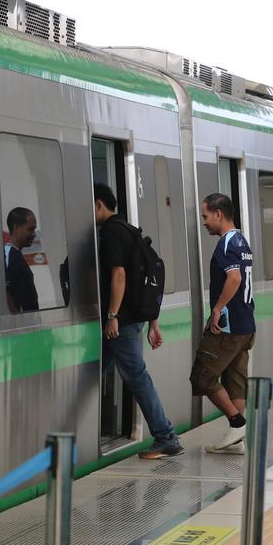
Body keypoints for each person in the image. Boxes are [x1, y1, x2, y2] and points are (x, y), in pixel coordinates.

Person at [94, 183, 183, 459]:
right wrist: (153, 323)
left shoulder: (110, 233)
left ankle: (165, 437)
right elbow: (146, 280)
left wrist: (111, 317)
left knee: (137, 377)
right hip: (134, 319)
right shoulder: (130, 230)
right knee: (96, 370)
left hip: (122, 322)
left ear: (99, 205)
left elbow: (119, 276)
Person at [191, 193, 256, 455]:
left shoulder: (226, 244)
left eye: (205, 216)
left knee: (202, 377)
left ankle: (237, 423)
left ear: (218, 214)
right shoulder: (242, 241)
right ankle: (237, 439)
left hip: (226, 327)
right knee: (235, 381)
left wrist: (217, 309)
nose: (204, 222)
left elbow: (234, 278)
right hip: (246, 325)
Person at [4, 207, 40, 313]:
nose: (34, 234)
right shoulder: (8, 256)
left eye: (34, 229)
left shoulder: (15, 255)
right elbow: (5, 292)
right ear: (16, 228)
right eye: (30, 229)